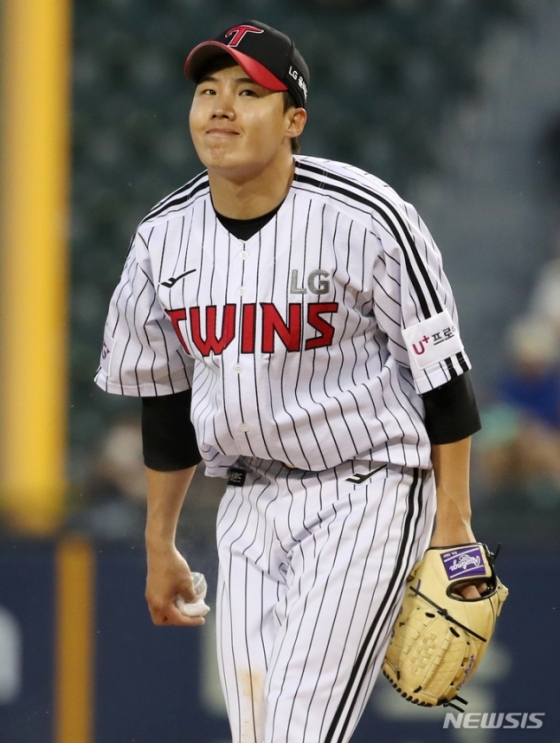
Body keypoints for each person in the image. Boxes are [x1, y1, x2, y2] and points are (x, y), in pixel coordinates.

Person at [95, 20, 483, 743]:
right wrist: (159, 541)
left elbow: (443, 377)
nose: (221, 107)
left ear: (293, 120)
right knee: (258, 732)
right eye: (208, 91)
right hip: (246, 500)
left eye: (249, 93)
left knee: (299, 728)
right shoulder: (162, 238)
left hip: (366, 488)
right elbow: (166, 400)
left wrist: (453, 524)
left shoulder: (367, 216)